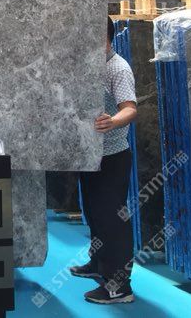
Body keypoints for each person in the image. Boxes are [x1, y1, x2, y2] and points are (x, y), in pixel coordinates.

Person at [70, 17, 138, 304]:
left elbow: (130, 108)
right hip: (91, 155)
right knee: (95, 214)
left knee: (113, 220)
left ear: (104, 37)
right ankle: (98, 263)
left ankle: (119, 286)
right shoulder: (90, 66)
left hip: (112, 157)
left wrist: (113, 122)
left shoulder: (117, 68)